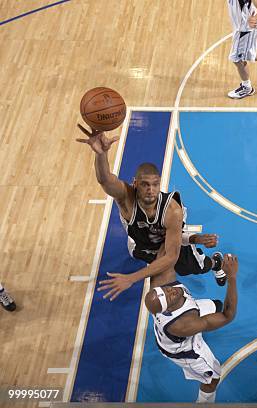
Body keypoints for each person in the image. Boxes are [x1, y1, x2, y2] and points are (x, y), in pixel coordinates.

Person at [76, 125, 226, 301]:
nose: (151, 189)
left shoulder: (172, 210)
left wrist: (131, 278)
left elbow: (171, 256)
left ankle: (216, 263)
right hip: (142, 244)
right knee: (155, 275)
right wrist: (101, 154)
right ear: (135, 183)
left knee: (190, 268)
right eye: (145, 184)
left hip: (169, 240)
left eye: (155, 184)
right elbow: (105, 180)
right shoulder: (126, 197)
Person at [145, 253, 239, 403]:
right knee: (213, 378)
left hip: (187, 314)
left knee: (217, 305)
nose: (172, 291)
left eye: (166, 291)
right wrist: (232, 278)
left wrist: (192, 239)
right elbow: (228, 316)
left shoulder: (161, 282)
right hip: (184, 350)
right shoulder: (183, 325)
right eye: (169, 297)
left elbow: (168, 251)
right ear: (167, 309)